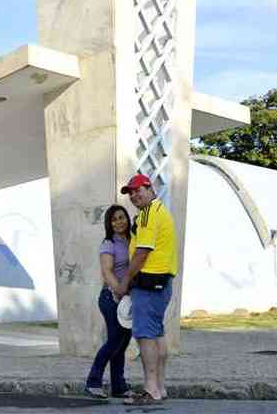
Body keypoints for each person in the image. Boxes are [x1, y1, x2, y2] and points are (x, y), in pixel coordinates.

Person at [118, 174, 178, 406]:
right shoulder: (158, 211)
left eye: (137, 190)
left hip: (148, 282)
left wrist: (125, 281)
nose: (134, 195)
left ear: (149, 188)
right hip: (161, 281)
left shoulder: (149, 214)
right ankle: (159, 387)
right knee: (157, 334)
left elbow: (142, 253)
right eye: (130, 193)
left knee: (145, 335)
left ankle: (150, 388)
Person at [84, 205, 136, 399]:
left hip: (127, 301)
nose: (119, 222)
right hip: (111, 298)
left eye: (121, 217)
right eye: (114, 219)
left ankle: (118, 386)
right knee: (114, 341)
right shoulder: (108, 243)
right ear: (109, 223)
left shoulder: (132, 240)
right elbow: (107, 272)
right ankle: (93, 381)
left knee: (122, 344)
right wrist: (120, 291)